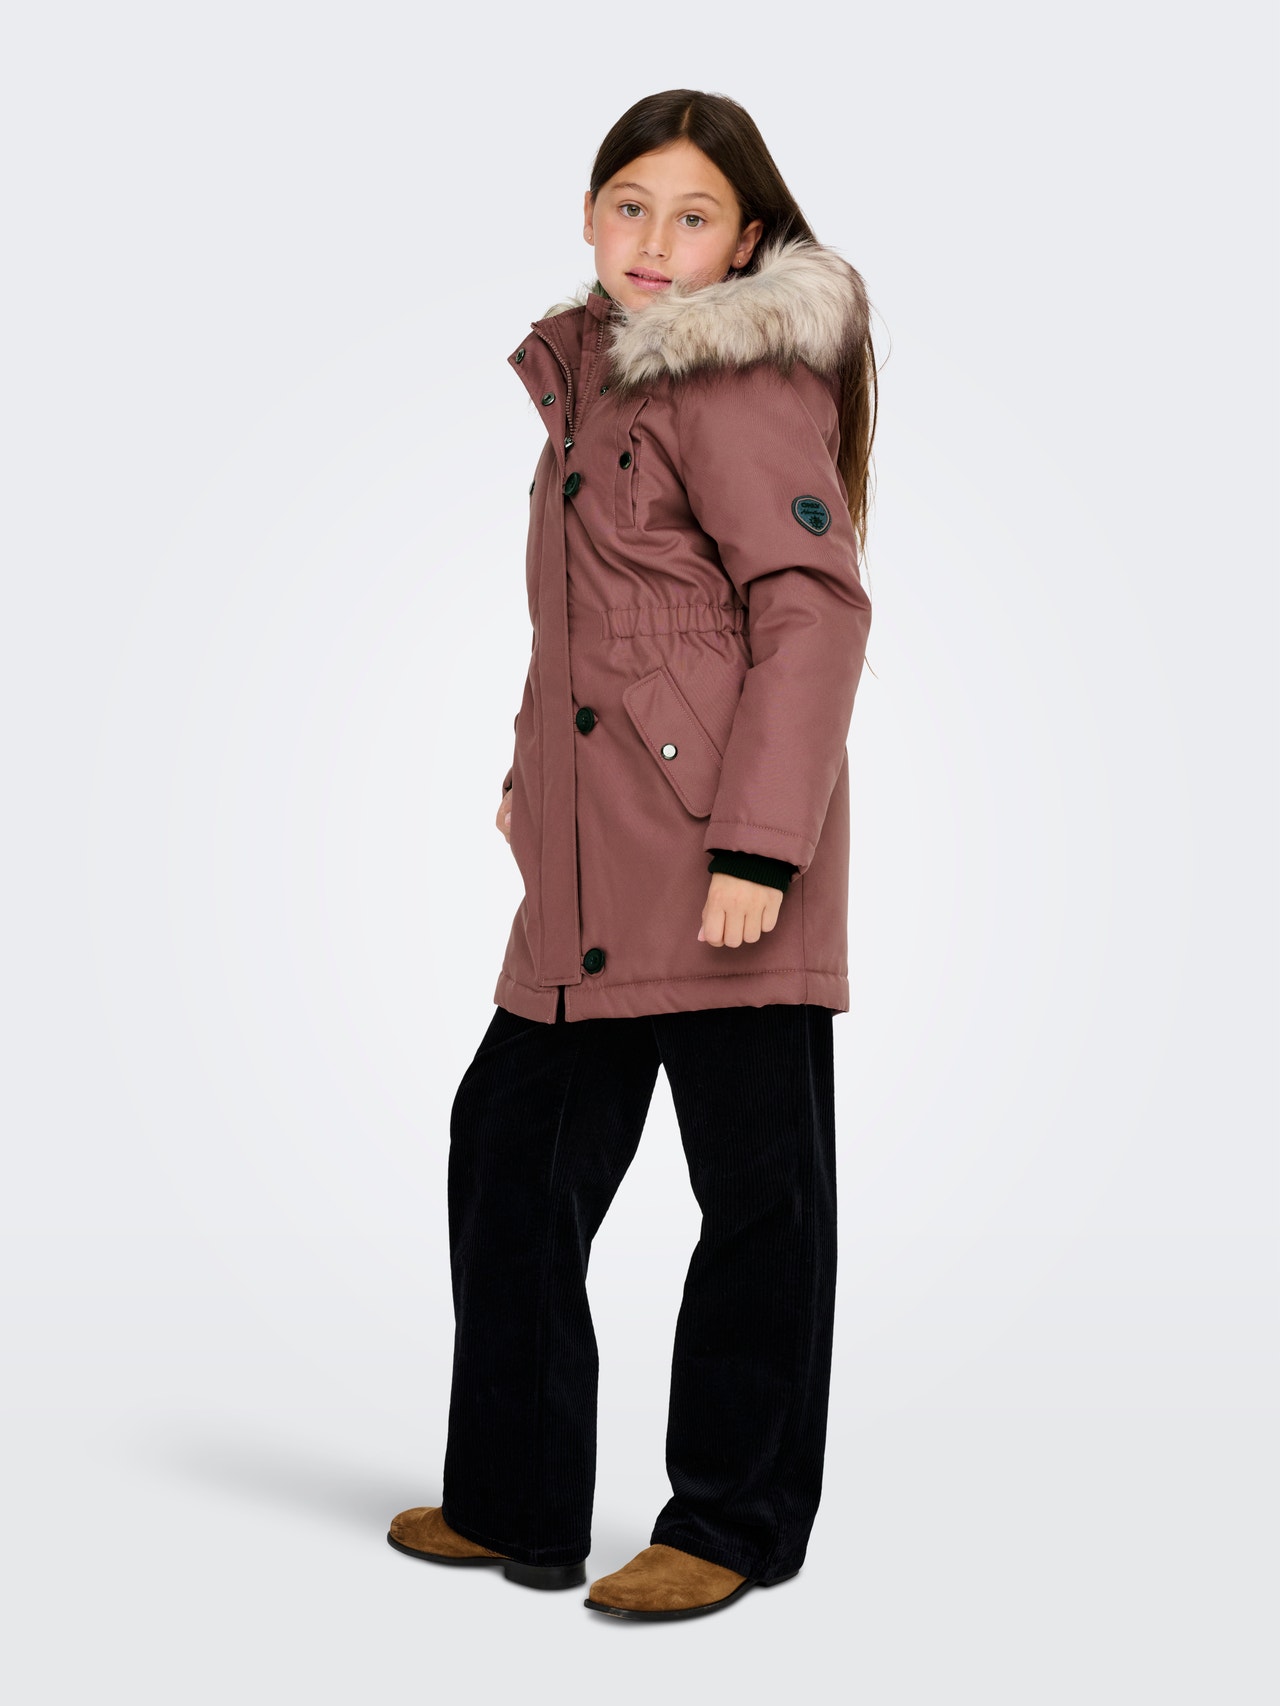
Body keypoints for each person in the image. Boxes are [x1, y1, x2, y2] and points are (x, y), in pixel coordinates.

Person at [387, 88, 877, 1622]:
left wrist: (762, 851)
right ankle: (517, 1495)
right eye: (630, 205)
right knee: (508, 1157)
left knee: (758, 1202)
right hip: (586, 875)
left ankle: (729, 1521)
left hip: (726, 871)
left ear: (748, 238)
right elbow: (601, 629)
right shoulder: (588, 379)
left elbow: (811, 614)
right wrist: (529, 782)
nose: (655, 240)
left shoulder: (737, 375)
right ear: (589, 215)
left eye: (693, 214)